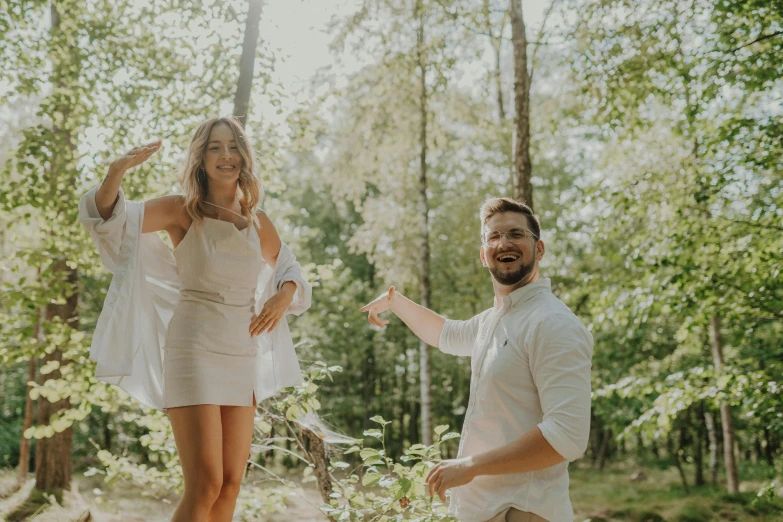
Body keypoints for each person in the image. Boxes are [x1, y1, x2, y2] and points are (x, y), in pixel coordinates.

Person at [79, 117, 312, 522]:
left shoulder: (258, 221)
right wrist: (116, 172)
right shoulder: (179, 210)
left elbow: (288, 265)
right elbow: (108, 219)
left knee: (230, 484)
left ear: (244, 155)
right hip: (193, 347)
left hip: (241, 352)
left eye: (233, 146)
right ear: (201, 158)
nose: (226, 155)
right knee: (204, 483)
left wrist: (283, 295)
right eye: (215, 147)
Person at [360, 197, 593, 522]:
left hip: (524, 511)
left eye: (516, 234)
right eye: (493, 237)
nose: (504, 243)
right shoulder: (494, 320)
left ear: (539, 249)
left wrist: (470, 467)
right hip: (488, 510)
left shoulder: (552, 323)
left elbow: (567, 435)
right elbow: (445, 333)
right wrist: (395, 303)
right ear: (484, 255)